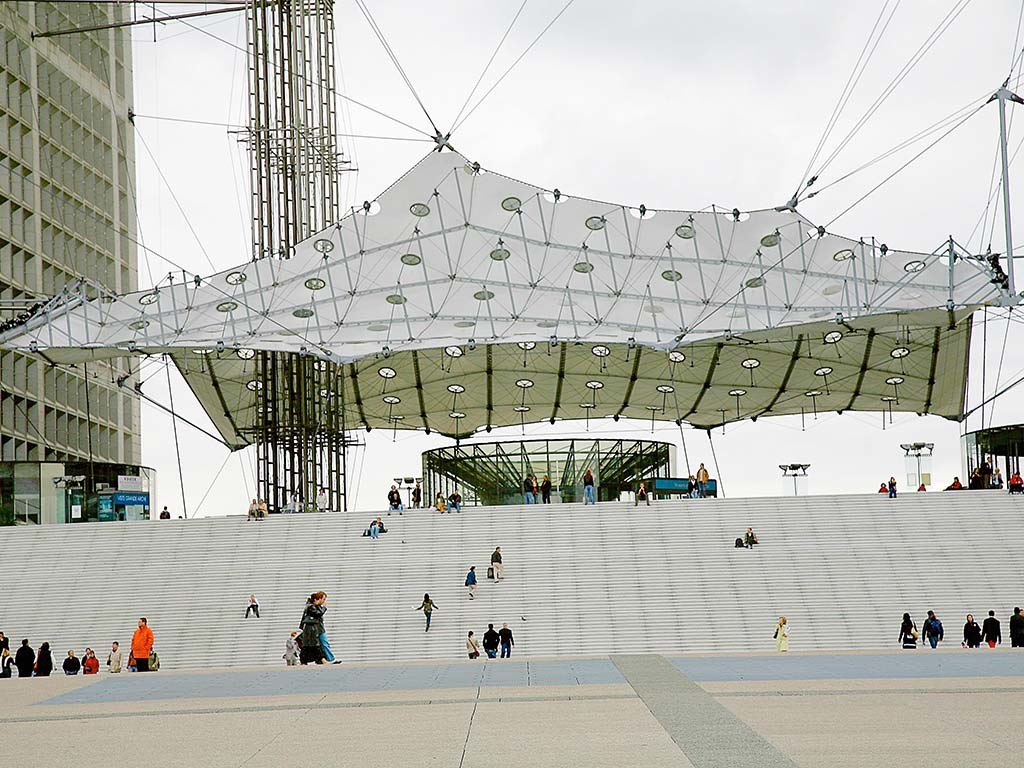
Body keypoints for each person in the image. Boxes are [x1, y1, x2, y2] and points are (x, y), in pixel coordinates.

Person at [299, 592, 327, 665]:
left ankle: (305, 661)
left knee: (309, 646)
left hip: (311, 629)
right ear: (315, 600)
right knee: (314, 645)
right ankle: (322, 659)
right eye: (320, 599)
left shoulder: (311, 606)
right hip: (311, 629)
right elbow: (318, 613)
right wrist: (323, 607)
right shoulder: (311, 607)